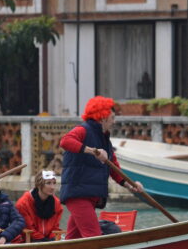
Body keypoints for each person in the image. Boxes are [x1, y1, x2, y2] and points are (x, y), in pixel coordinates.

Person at [59, 96, 143, 239]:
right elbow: (65, 141)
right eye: (112, 117)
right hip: (79, 194)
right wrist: (93, 151)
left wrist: (129, 184)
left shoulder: (105, 139)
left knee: (73, 239)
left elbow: (113, 167)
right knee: (94, 237)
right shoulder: (83, 130)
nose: (114, 121)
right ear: (103, 117)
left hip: (91, 196)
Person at [15, 170, 63, 242]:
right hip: (28, 241)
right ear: (39, 184)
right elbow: (29, 228)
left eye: (54, 183)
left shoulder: (57, 203)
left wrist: (52, 240)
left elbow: (55, 227)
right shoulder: (23, 203)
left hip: (49, 240)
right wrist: (43, 241)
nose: (52, 187)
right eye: (48, 183)